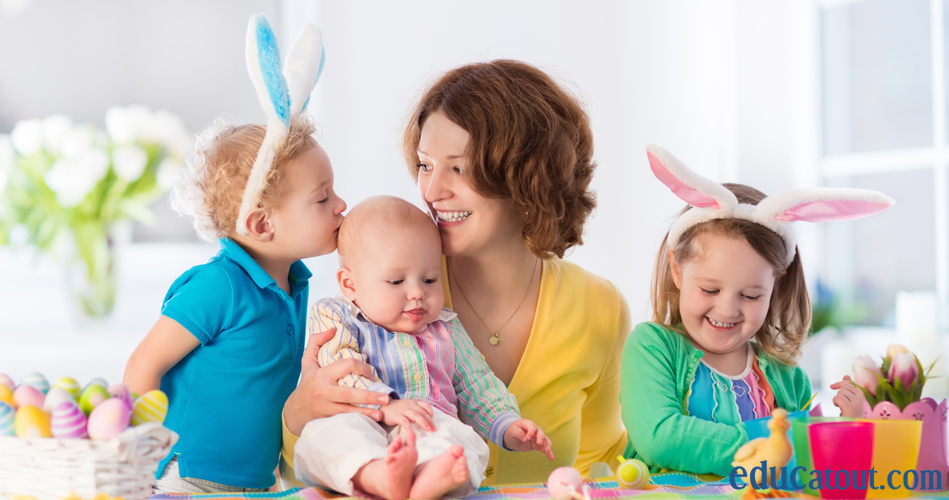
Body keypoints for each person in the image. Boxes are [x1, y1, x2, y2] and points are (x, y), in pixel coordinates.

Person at [282, 59, 632, 486]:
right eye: (426, 165)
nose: (430, 191)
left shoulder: (599, 308)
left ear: (528, 179)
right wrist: (297, 410)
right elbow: (303, 465)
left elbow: (603, 465)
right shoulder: (385, 283)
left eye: (459, 168)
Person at [123, 16, 355, 492]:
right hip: (187, 478)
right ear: (262, 225)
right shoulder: (218, 285)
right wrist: (148, 459)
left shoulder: (296, 281)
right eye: (322, 197)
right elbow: (141, 367)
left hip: (253, 482)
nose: (341, 205)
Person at [620, 145, 894, 476]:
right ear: (677, 271)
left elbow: (813, 465)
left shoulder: (787, 377)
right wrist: (777, 445)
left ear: (775, 286)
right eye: (710, 289)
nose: (727, 308)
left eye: (751, 295)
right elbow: (660, 437)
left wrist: (846, 427)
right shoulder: (653, 346)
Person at [293, 196, 553, 500]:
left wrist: (508, 425)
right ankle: (380, 476)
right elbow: (341, 369)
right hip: (360, 419)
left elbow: (477, 384)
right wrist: (385, 405)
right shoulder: (336, 315)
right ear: (349, 285)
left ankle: (427, 481)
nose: (417, 292)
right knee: (325, 437)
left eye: (429, 279)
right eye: (396, 281)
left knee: (459, 442)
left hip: (428, 422)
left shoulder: (446, 328)